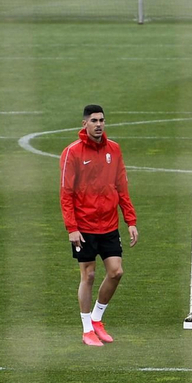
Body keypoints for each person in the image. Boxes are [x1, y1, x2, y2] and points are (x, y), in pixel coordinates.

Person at [59, 104, 137, 346]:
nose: (99, 124)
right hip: (84, 226)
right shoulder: (72, 152)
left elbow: (121, 187)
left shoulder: (113, 149)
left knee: (116, 272)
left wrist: (130, 220)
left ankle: (97, 319)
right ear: (85, 124)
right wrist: (72, 227)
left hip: (109, 224)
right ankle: (86, 330)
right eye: (94, 120)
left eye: (102, 120)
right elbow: (66, 193)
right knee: (89, 275)